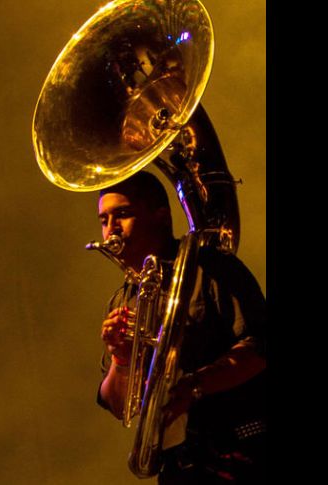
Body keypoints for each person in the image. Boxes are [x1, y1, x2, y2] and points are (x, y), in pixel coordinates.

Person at [95, 171, 266, 484]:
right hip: (180, 468)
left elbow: (260, 349)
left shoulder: (211, 266)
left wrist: (194, 386)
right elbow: (119, 407)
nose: (111, 230)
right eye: (103, 220)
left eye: (122, 214)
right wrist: (120, 357)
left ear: (160, 216)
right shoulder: (123, 299)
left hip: (243, 450)